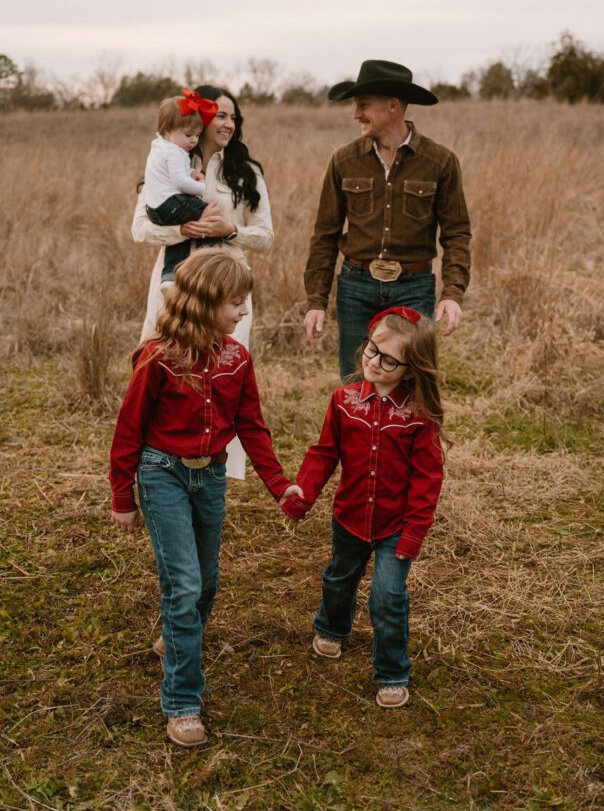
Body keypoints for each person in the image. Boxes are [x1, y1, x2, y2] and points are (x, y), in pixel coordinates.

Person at [109, 249, 301, 747]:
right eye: (236, 303)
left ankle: (176, 637)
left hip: (210, 477)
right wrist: (122, 496)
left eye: (245, 302)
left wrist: (281, 486)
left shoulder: (238, 359)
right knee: (185, 583)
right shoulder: (158, 358)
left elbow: (251, 426)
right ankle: (182, 700)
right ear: (204, 302)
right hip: (162, 474)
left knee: (206, 582)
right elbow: (129, 431)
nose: (243, 312)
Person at [282, 305, 445, 709]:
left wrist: (413, 534)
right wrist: (303, 494)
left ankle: (391, 670)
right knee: (340, 577)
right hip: (350, 518)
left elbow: (427, 479)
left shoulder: (419, 417)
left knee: (387, 596)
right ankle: (333, 628)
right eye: (372, 350)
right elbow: (323, 454)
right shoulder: (343, 401)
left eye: (389, 360)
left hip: (395, 527)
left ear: (411, 369)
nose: (374, 362)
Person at [132, 85, 273, 478]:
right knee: (162, 370)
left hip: (228, 289)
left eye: (233, 117)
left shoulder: (246, 173)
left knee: (224, 379)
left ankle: (216, 473)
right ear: (200, 120)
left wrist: (230, 230)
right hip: (173, 285)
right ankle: (157, 469)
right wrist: (185, 228)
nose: (228, 123)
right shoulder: (165, 158)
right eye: (221, 116)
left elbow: (265, 237)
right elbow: (140, 228)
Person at [303, 59, 471, 381]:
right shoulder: (344, 161)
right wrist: (316, 301)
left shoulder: (440, 162)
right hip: (356, 285)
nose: (356, 115)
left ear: (392, 107)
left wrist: (452, 294)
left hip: (414, 287)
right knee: (355, 383)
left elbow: (457, 235)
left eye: (363, 106)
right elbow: (325, 235)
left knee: (414, 384)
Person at [144, 91, 222, 283]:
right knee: (210, 214)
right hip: (170, 203)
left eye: (197, 135)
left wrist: (190, 174)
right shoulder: (174, 152)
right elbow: (180, 183)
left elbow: (175, 175)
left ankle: (169, 275)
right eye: (189, 135)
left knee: (181, 234)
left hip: (155, 209)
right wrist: (204, 188)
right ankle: (212, 259)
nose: (194, 140)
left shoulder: (159, 147)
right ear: (167, 131)